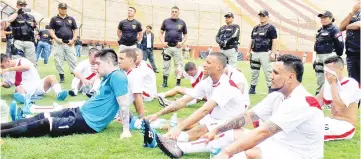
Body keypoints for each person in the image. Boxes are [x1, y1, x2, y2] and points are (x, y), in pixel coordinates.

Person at [156, 54, 324, 159]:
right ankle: (180, 148)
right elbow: (248, 116)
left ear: (290, 77)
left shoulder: (300, 101)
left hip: (299, 154)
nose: (270, 76)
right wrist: (217, 130)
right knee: (233, 133)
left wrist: (227, 152)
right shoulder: (277, 95)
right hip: (278, 143)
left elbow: (264, 131)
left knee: (249, 154)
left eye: (275, 73)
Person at [1, 49, 132, 139]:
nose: (95, 66)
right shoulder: (108, 77)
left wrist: (126, 130)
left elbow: (124, 103)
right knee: (41, 116)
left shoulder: (118, 76)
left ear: (109, 63)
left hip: (87, 122)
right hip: (79, 112)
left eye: (98, 63)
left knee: (45, 123)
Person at [142, 53, 246, 149]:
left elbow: (204, 110)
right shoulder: (208, 82)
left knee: (199, 129)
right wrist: (158, 114)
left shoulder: (225, 86)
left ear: (219, 67)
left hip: (231, 121)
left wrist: (179, 127)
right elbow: (183, 101)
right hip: (215, 118)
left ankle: (159, 141)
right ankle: (144, 124)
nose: (204, 65)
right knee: (183, 121)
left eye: (208, 63)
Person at [316, 56, 360, 141]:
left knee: (314, 134)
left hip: (345, 125)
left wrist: (333, 83)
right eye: (326, 71)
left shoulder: (351, 84)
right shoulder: (327, 84)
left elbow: (338, 107)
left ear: (341, 69)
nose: (328, 74)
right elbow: (318, 101)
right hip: (330, 120)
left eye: (331, 71)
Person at [0, 54, 68, 104]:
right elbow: (9, 84)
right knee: (18, 88)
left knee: (52, 77)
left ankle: (59, 93)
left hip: (37, 85)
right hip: (24, 88)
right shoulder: (6, 72)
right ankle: (25, 99)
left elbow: (27, 67)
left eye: (2, 66)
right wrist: (3, 83)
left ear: (8, 61)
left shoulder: (22, 60)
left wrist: (9, 69)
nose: (2, 68)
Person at [247, 10, 278, 94]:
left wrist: (273, 53)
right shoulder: (255, 28)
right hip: (255, 53)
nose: (261, 17)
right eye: (260, 15)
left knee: (268, 72)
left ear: (267, 17)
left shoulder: (271, 28)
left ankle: (270, 88)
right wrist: (248, 51)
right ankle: (252, 88)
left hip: (265, 53)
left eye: (263, 16)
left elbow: (274, 41)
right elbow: (251, 40)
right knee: (254, 72)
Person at [313, 10, 344, 95]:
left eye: (325, 17)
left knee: (331, 79)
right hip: (319, 58)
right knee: (320, 79)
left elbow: (340, 44)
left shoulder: (335, 29)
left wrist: (337, 57)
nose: (322, 19)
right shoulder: (320, 30)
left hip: (330, 57)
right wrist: (315, 60)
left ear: (331, 18)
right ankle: (319, 100)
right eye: (321, 17)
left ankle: (332, 101)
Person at [48, 3, 78, 83]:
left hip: (69, 42)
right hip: (59, 42)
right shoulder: (54, 19)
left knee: (73, 60)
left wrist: (73, 40)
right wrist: (56, 39)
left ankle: (76, 76)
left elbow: (75, 30)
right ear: (58, 9)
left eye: (65, 8)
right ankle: (62, 77)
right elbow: (51, 30)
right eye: (62, 8)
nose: (63, 10)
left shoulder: (71, 19)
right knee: (58, 60)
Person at [160, 6, 188, 87]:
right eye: (173, 11)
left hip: (177, 48)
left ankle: (178, 83)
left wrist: (182, 43)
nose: (174, 13)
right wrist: (162, 42)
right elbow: (160, 33)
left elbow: (185, 35)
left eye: (176, 12)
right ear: (171, 12)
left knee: (178, 66)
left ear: (178, 13)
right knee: (166, 65)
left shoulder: (182, 22)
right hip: (167, 48)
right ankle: (164, 83)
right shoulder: (166, 21)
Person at [118, 49, 148, 118]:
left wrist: (141, 117)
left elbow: (138, 97)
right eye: (118, 58)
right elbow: (133, 95)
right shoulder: (126, 72)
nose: (119, 61)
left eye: (122, 59)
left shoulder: (135, 75)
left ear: (131, 61)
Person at [7, 0, 37, 65]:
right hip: (18, 41)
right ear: (17, 6)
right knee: (17, 62)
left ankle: (31, 75)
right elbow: (8, 21)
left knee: (31, 63)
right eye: (21, 5)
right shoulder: (13, 15)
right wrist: (17, 13)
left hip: (29, 41)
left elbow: (35, 27)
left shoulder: (31, 16)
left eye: (24, 5)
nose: (22, 7)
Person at [340, 3, 360, 83]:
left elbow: (359, 25)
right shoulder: (353, 14)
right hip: (351, 54)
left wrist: (348, 26)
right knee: (353, 82)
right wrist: (352, 12)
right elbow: (341, 27)